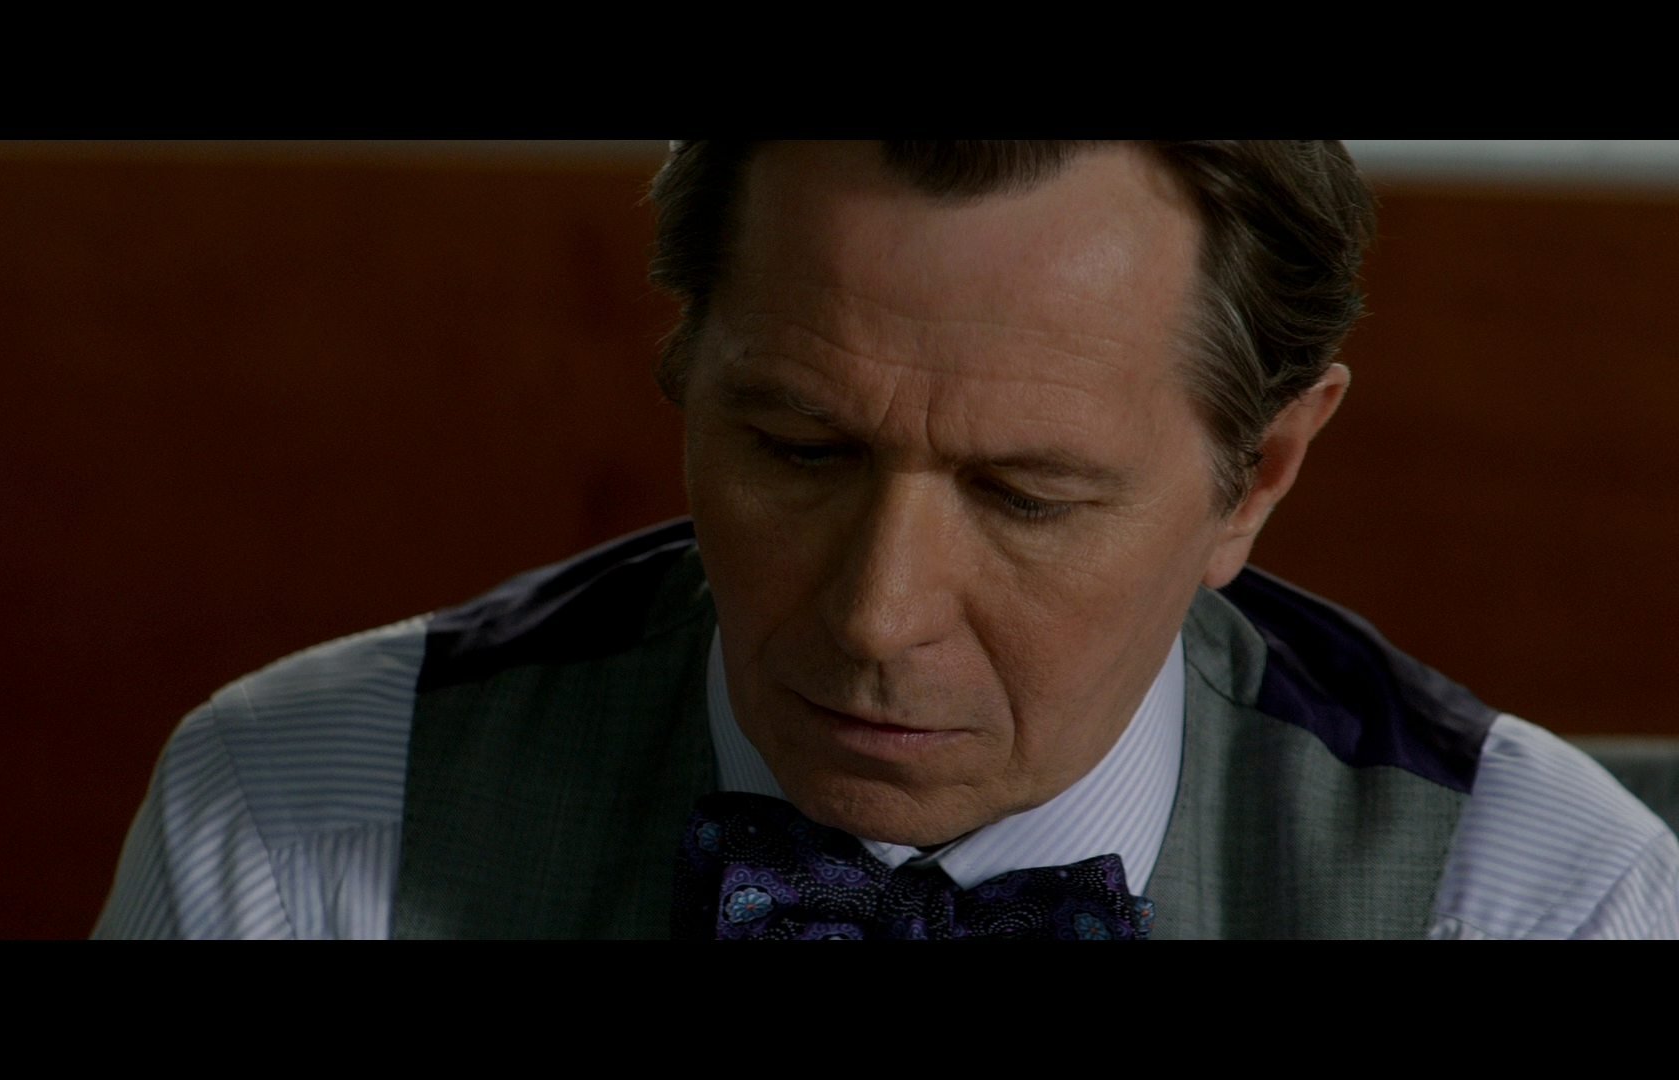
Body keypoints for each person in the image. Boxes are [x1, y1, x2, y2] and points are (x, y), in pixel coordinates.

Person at [94, 141, 1679, 939]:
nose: (874, 615)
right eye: (799, 451)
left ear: (1255, 476)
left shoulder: (1541, 906)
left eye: (1026, 497)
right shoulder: (302, 823)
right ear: (685, 373)